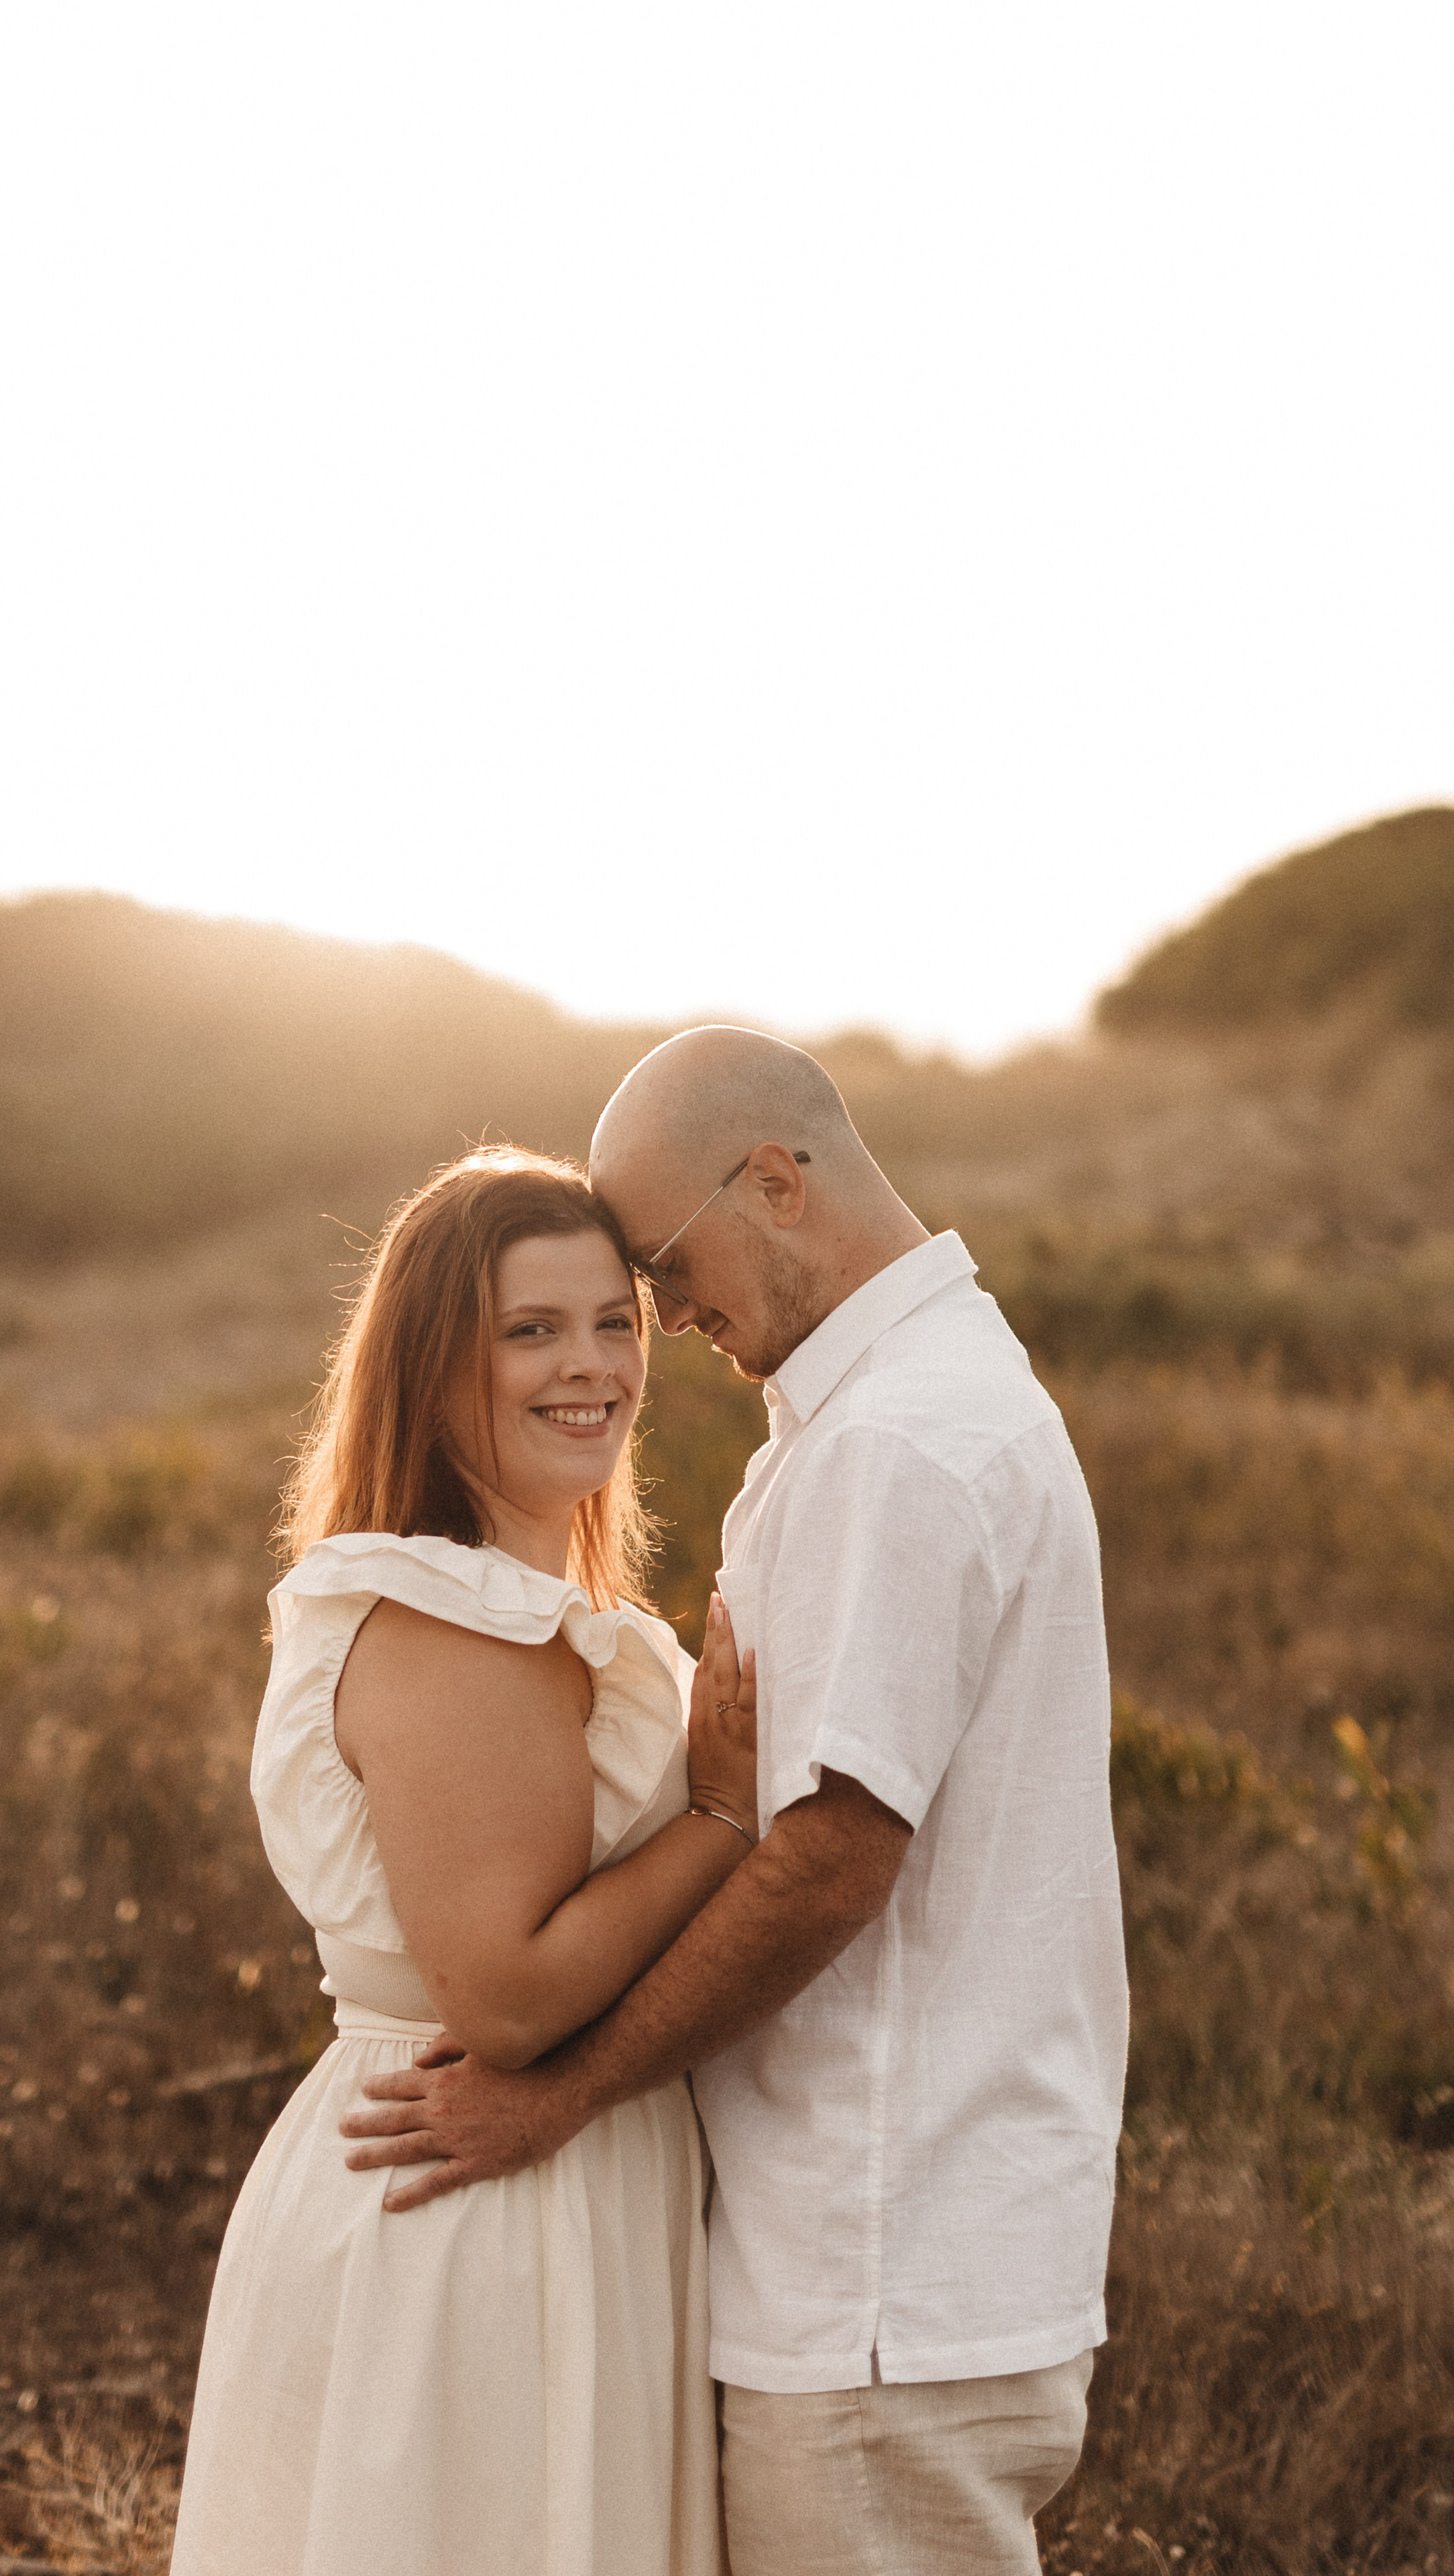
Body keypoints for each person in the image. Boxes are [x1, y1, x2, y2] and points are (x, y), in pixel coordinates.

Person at [343, 1027, 1131, 2576]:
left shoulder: (895, 1443)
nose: (659, 1314)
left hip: (877, 2273)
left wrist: (561, 2093)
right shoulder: (896, 1406)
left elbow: (833, 1860)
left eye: (659, 1265)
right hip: (878, 2260)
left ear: (772, 1181)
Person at [168, 1147, 756, 2576]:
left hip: (530, 2175)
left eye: (612, 1320)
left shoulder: (513, 1601)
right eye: (528, 1331)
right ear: (434, 1369)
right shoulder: (451, 1623)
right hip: (479, 2203)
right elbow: (501, 1995)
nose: (592, 1366)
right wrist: (723, 1822)